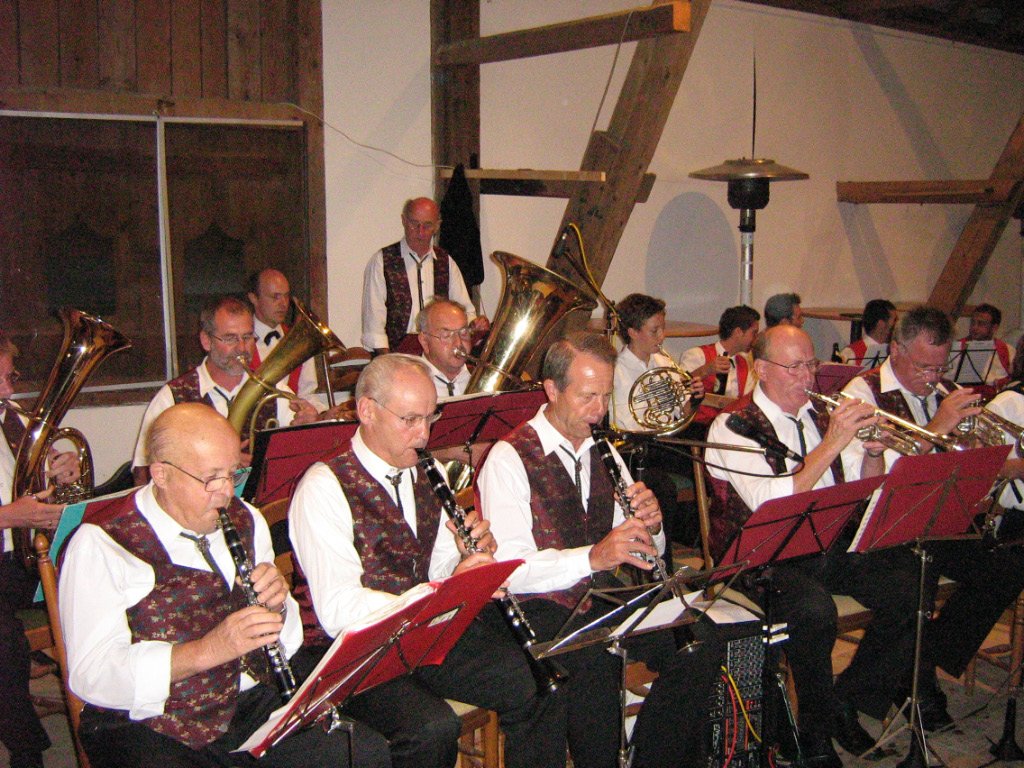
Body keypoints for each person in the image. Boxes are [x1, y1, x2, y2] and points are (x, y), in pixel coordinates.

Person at [60, 403, 391, 768]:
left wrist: (278, 609)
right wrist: (205, 651)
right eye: (210, 478)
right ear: (161, 474)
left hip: (246, 700)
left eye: (232, 474)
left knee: (360, 753)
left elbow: (287, 643)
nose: (225, 493)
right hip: (150, 720)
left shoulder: (247, 519)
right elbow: (92, 674)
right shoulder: (101, 542)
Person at [287, 354, 563, 768]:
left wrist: (465, 563)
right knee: (430, 729)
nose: (423, 434)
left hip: (420, 633)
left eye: (430, 418)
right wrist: (436, 594)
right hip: (349, 652)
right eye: (410, 419)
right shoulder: (323, 487)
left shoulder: (422, 471)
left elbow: (436, 563)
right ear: (367, 411)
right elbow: (337, 609)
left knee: (538, 680)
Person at [479, 331, 725, 768]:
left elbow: (639, 551)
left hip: (600, 595)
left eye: (606, 396)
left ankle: (649, 757)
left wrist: (652, 527)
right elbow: (510, 570)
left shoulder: (603, 448)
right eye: (587, 396)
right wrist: (593, 557)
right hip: (539, 605)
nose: (599, 410)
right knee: (595, 665)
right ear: (552, 390)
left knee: (701, 641)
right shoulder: (508, 458)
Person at [705, 324, 920, 765]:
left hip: (824, 544)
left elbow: (862, 487)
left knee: (909, 583)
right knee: (814, 612)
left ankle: (849, 699)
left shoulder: (821, 415)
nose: (807, 377)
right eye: (795, 367)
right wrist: (834, 442)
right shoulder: (734, 424)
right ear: (762, 369)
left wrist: (873, 452)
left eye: (811, 364)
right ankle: (812, 736)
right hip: (757, 558)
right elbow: (770, 503)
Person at [843, 305, 1024, 729]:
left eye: (940, 366)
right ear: (896, 349)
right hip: (882, 530)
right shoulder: (862, 394)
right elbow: (868, 483)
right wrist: (939, 428)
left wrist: (979, 456)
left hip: (940, 524)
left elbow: (974, 472)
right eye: (924, 366)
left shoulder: (944, 391)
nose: (933, 376)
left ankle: (919, 662)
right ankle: (894, 688)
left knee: (1008, 565)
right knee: (915, 584)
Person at [132, 296, 319, 484]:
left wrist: (309, 430)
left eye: (247, 337)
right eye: (230, 338)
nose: (242, 348)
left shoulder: (274, 390)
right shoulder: (172, 397)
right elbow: (144, 473)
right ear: (206, 341)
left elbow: (303, 463)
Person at [0, 332, 78, 768]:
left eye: (10, 378)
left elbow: (40, 488)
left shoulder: (14, 421)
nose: (8, 391)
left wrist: (60, 472)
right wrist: (11, 516)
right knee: (3, 644)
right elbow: (15, 510)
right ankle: (27, 751)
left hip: (25, 558)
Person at [361, 197, 488, 355]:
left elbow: (465, 312)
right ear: (404, 220)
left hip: (439, 357)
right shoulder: (382, 261)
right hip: (397, 356)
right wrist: (389, 362)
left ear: (437, 226)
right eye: (414, 224)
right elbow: (374, 326)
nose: (420, 232)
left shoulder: (446, 262)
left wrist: (475, 325)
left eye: (427, 225)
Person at [247, 268, 323, 406]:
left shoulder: (300, 341)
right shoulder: (239, 342)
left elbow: (308, 395)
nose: (283, 304)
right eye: (275, 297)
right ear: (254, 298)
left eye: (286, 296)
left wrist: (322, 413)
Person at [679, 304, 759, 424]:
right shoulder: (697, 354)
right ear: (738, 332)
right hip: (696, 426)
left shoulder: (745, 363)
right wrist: (705, 370)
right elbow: (678, 389)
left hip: (728, 426)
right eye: (754, 333)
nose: (756, 339)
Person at [416, 298, 473, 399]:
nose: (458, 343)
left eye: (464, 332)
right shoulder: (409, 383)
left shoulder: (477, 375)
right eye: (446, 335)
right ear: (425, 341)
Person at [955, 302, 1015, 387]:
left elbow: (1015, 379)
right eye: (973, 322)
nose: (974, 327)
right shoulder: (958, 348)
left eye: (981, 323)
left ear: (994, 328)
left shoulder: (1008, 350)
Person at [840, 299, 896, 369]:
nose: (896, 325)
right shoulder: (850, 354)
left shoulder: (895, 351)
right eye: (894, 320)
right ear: (881, 324)